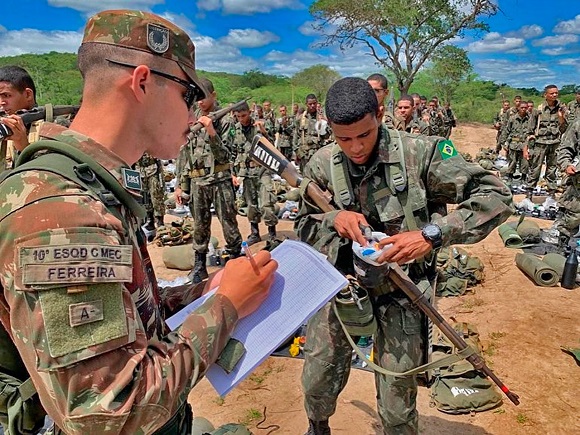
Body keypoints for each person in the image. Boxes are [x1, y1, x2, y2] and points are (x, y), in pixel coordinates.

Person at [0, 9, 278, 434]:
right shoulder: (64, 211)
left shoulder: (90, 186)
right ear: (142, 82)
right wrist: (227, 307)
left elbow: (131, 311)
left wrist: (204, 291)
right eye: (188, 94)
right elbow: (111, 413)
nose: (196, 111)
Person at [295, 77, 513, 435]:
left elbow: (496, 196)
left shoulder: (421, 154)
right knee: (318, 375)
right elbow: (304, 223)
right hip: (341, 287)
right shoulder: (322, 164)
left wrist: (431, 235)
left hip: (403, 291)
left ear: (381, 113)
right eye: (343, 138)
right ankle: (318, 427)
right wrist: (336, 219)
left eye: (364, 135)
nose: (355, 147)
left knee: (397, 398)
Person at [175, 77, 243, 283]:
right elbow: (184, 152)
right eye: (197, 98)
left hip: (220, 180)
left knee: (229, 223)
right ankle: (199, 265)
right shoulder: (191, 117)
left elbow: (226, 156)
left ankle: (235, 261)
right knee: (199, 226)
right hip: (197, 182)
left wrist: (212, 131)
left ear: (213, 95)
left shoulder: (227, 120)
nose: (200, 102)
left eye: (204, 97)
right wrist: (180, 185)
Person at [232, 101, 279, 244]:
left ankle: (272, 233)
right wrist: (234, 173)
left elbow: (272, 146)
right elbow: (233, 151)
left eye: (244, 115)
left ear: (249, 113)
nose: (241, 119)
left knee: (266, 204)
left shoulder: (258, 126)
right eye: (238, 116)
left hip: (262, 170)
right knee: (251, 205)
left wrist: (264, 131)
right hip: (245, 171)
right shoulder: (235, 129)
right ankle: (255, 233)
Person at [524, 84, 568, 194]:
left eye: (556, 93)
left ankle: (551, 195)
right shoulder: (538, 110)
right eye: (552, 93)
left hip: (554, 143)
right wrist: (527, 149)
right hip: (540, 143)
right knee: (535, 169)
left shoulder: (561, 109)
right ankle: (529, 194)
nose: (554, 95)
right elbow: (529, 131)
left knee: (552, 169)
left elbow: (564, 129)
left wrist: (561, 117)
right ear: (545, 95)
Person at [0, 66, 37, 172]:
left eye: (6, 95)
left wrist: (23, 146)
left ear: (28, 95)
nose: (1, 102)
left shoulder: (53, 126)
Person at [555, 118, 580, 243]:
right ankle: (563, 244)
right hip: (578, 176)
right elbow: (565, 148)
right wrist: (566, 164)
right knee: (575, 213)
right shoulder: (578, 124)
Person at [294, 94, 331, 173]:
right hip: (304, 154)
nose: (312, 106)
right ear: (306, 104)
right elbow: (296, 136)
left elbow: (329, 134)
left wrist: (324, 122)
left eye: (314, 103)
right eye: (310, 104)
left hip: (318, 152)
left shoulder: (322, 117)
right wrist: (297, 152)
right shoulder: (301, 118)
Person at [500, 100, 531, 184]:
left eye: (525, 108)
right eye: (522, 108)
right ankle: (510, 177)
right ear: (518, 108)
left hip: (525, 145)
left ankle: (523, 178)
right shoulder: (512, 118)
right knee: (512, 161)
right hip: (514, 144)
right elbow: (506, 131)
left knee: (525, 163)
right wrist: (504, 143)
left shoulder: (531, 119)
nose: (524, 109)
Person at [135, 152, 166, 230]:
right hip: (139, 172)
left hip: (153, 171)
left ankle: (160, 221)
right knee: (145, 197)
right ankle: (150, 220)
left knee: (156, 196)